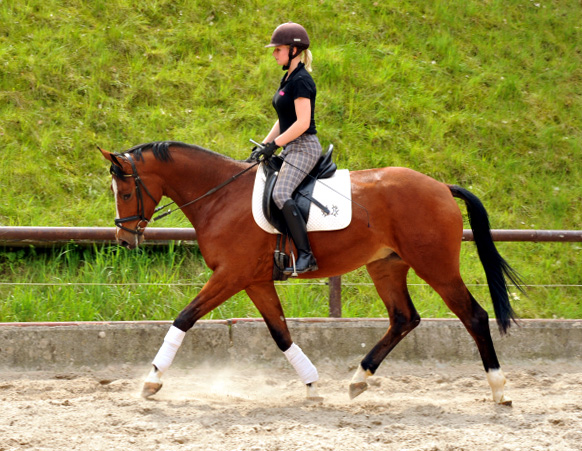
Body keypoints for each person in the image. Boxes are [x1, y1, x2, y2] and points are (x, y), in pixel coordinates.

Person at [253, 22, 322, 275]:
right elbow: (283, 118)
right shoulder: (288, 77)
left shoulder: (302, 81)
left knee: (281, 194)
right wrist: (264, 144)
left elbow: (302, 123)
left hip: (304, 148)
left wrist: (275, 145)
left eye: (278, 49)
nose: (274, 54)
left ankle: (306, 254)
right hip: (290, 146)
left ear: (293, 50)